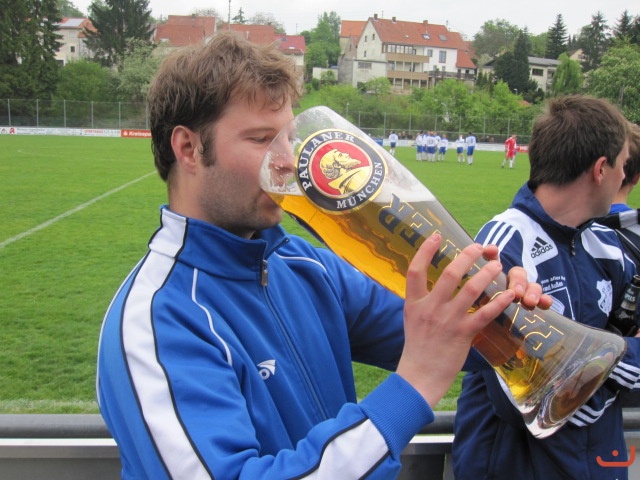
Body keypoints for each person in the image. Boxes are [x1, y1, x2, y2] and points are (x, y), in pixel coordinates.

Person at [96, 31, 547, 479]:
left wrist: (500, 309)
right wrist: (412, 387)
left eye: (289, 138)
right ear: (188, 149)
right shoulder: (157, 320)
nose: (288, 161)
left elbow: (445, 333)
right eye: (261, 139)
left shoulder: (305, 267)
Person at [452, 96, 640, 480]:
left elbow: (582, 378)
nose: (626, 177)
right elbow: (531, 397)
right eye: (623, 165)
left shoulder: (610, 247)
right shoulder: (502, 247)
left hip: (601, 464)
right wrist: (611, 364)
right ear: (600, 169)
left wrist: (588, 366)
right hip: (515, 467)